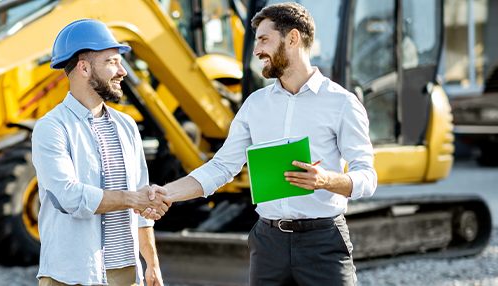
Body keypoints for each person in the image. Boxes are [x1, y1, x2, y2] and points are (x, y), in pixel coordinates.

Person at [143, 3, 377, 285]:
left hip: (323, 243)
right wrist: (166, 193)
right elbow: (221, 167)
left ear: (292, 39)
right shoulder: (255, 105)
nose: (256, 51)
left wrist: (326, 179)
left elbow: (368, 177)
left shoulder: (342, 103)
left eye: (264, 40)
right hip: (268, 244)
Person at [32, 19, 170, 286]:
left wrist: (151, 263)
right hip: (72, 275)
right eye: (112, 62)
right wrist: (133, 199)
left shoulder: (126, 126)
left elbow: (141, 198)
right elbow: (70, 197)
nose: (122, 71)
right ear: (83, 67)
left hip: (127, 273)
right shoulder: (51, 128)